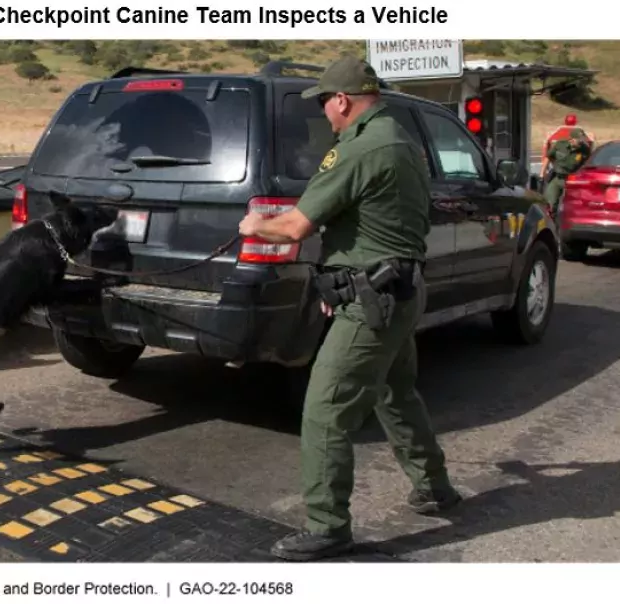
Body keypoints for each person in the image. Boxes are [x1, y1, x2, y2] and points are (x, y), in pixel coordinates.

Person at [238, 56, 460, 562]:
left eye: (324, 103)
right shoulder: (399, 137)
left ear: (343, 100)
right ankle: (434, 485)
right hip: (398, 289)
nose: (324, 114)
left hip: (373, 299)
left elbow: (296, 227)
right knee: (397, 393)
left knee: (324, 411)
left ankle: (327, 526)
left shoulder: (361, 148)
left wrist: (254, 226)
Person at [540, 114, 594, 215]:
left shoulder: (584, 150)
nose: (581, 141)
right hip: (557, 177)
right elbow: (548, 156)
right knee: (549, 203)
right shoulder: (560, 145)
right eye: (579, 139)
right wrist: (542, 173)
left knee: (571, 207)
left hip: (572, 180)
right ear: (572, 139)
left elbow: (588, 164)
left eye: (582, 139)